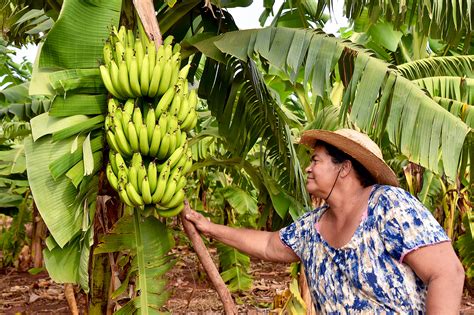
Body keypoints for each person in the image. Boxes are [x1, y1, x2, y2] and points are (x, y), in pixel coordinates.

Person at [184, 128, 465, 313]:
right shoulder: (312, 227)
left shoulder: (388, 206)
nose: (307, 167)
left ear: (344, 168)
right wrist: (209, 228)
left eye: (316, 160)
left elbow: (448, 273)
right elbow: (270, 244)